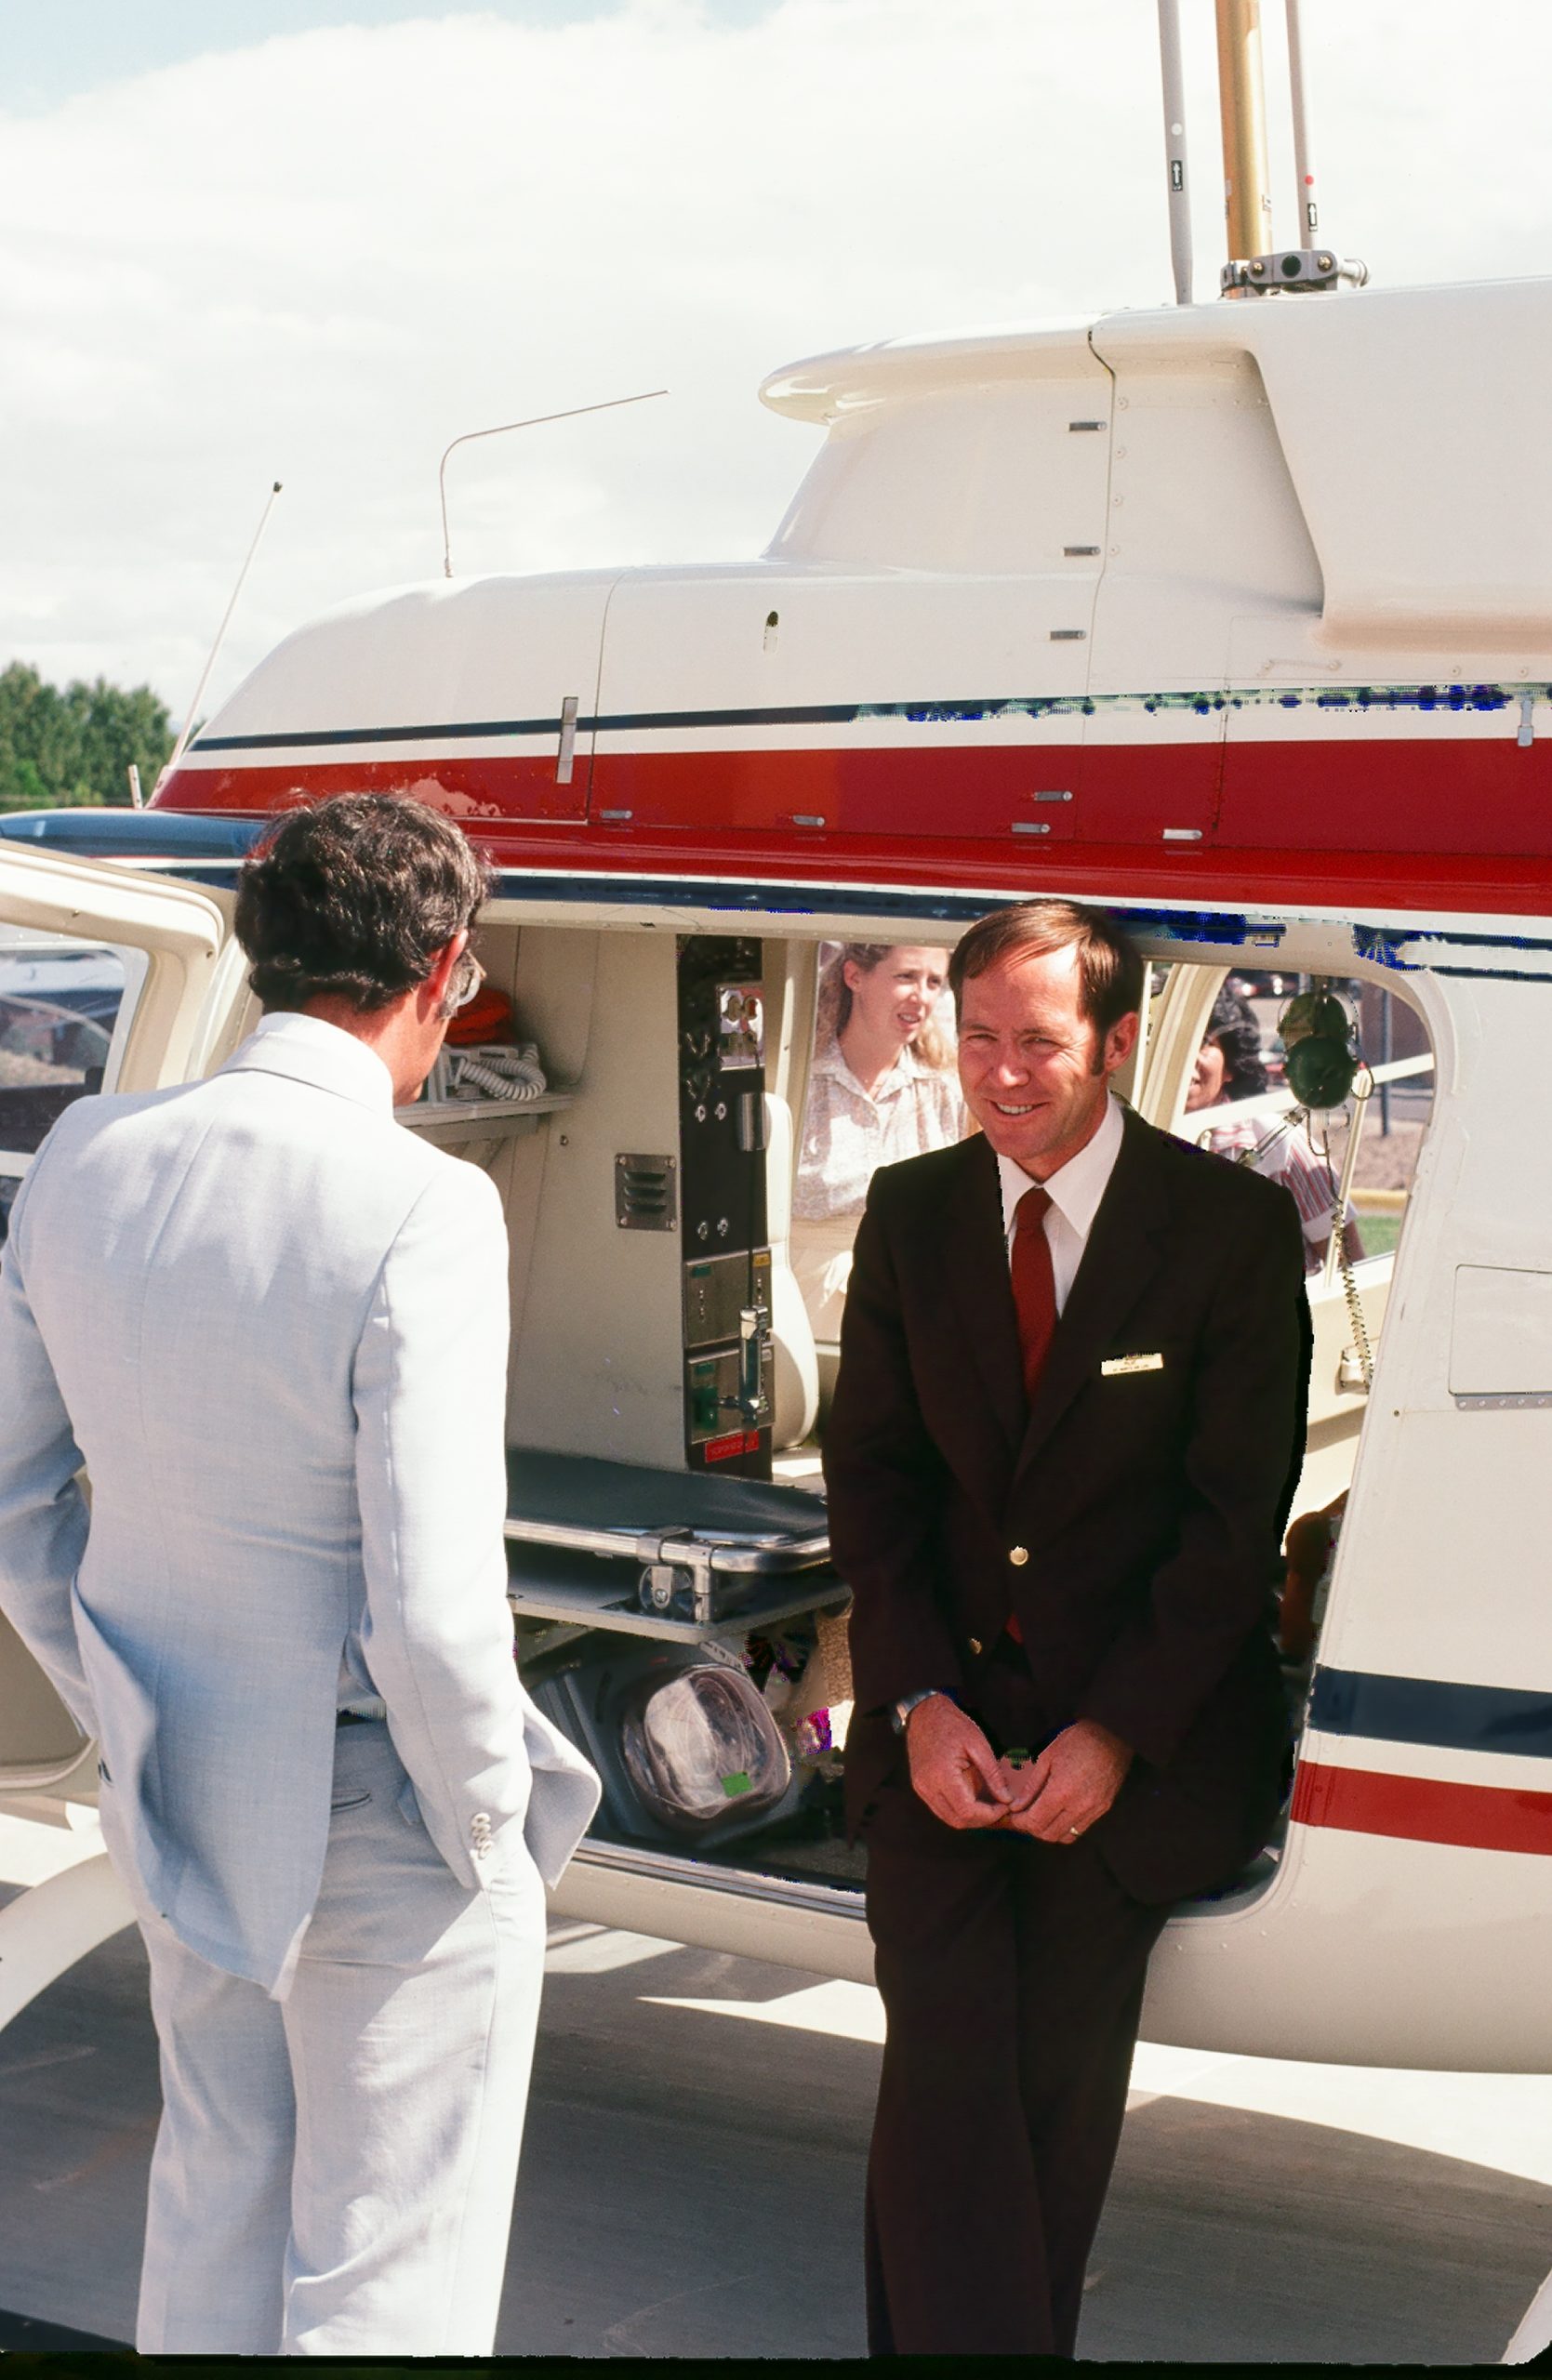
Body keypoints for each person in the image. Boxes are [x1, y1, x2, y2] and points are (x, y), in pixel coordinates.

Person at [0, 793, 600, 2356]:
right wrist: (492, 1825)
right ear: (446, 968)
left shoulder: (84, 1152)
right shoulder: (422, 1205)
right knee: (384, 2285)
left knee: (211, 2219)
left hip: (177, 1782)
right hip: (382, 1813)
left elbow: (10, 1501)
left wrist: (124, 1691)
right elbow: (434, 1607)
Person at [824, 900, 1311, 2357]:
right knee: (950, 2066)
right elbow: (879, 1491)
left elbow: (1236, 1531)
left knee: (1041, 2085)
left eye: (1037, 1042)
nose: (999, 1072)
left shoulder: (1224, 1231)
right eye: (974, 1036)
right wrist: (916, 1706)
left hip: (1138, 1748)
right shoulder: (912, 1219)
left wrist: (1114, 1735)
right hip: (948, 1735)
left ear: (1118, 1041)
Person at [791, 943, 963, 1339]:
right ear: (854, 976)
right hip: (808, 1307)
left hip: (916, 1305)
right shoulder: (798, 1079)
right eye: (906, 977)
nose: (921, 997)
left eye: (934, 982)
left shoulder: (947, 1089)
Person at [1187, 985, 1363, 1274]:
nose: (1187, 1057)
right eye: (1178, 1042)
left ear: (1231, 1066)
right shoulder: (1133, 1141)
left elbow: (1350, 1267)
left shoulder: (1278, 1144)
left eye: (1204, 1042)